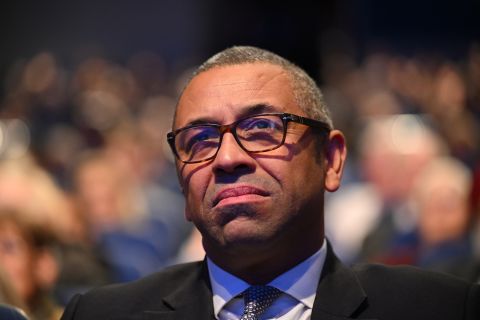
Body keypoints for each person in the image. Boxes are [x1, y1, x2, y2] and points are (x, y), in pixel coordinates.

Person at [60, 46, 480, 320]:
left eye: (262, 128)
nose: (227, 158)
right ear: (182, 188)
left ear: (331, 160)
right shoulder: (99, 315)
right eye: (200, 140)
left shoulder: (442, 309)